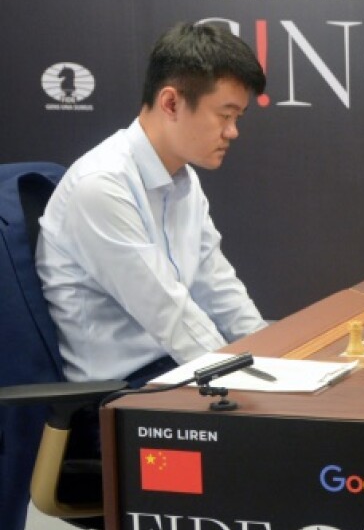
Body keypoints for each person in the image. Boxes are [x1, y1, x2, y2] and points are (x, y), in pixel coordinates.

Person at [37, 22, 268, 393]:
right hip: (118, 393)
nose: (232, 132)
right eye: (224, 116)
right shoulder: (102, 185)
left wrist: (274, 356)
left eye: (237, 118)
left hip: (173, 367)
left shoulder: (184, 179)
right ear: (171, 103)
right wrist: (256, 382)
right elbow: (169, 315)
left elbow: (218, 287)